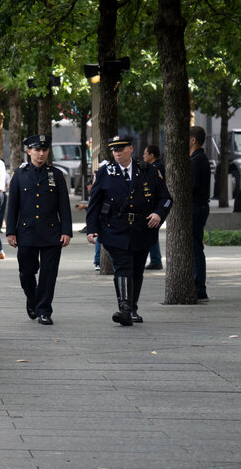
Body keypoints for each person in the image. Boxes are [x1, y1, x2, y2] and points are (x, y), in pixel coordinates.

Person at [86, 135, 172, 326]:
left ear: (131, 149)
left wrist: (158, 214)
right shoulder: (105, 172)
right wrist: (91, 228)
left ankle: (132, 308)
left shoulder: (148, 170)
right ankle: (125, 309)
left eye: (121, 149)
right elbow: (94, 202)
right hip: (115, 229)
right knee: (123, 266)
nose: (117, 153)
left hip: (142, 229)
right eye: (114, 150)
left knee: (137, 270)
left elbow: (165, 198)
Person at [5, 134, 72, 325]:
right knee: (26, 271)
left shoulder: (56, 175)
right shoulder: (19, 174)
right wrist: (10, 231)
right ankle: (32, 298)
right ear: (29, 151)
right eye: (37, 150)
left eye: (44, 150)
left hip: (51, 232)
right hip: (26, 232)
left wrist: (66, 231)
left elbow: (64, 205)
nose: (41, 154)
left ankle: (44, 310)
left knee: (49, 274)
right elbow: (13, 206)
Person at [191, 127, 211, 301]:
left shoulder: (198, 159)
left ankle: (199, 288)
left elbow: (191, 185)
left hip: (197, 207)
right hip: (198, 206)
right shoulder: (198, 158)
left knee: (196, 247)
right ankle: (197, 285)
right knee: (195, 246)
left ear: (193, 140)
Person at [142, 145, 165, 270]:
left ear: (151, 155)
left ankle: (156, 260)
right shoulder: (156, 166)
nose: (143, 156)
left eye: (145, 154)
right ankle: (155, 259)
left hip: (156, 206)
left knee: (151, 230)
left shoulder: (156, 168)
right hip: (155, 206)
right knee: (151, 230)